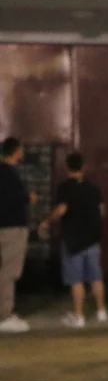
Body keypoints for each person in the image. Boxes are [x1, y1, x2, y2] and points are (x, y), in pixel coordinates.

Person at [38, 152, 107, 328]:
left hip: (73, 240)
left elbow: (61, 209)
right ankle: (101, 312)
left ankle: (78, 317)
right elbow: (102, 211)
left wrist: (47, 221)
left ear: (66, 167)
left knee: (76, 281)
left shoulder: (65, 187)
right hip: (92, 240)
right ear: (84, 167)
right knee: (96, 278)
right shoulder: (93, 188)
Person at [0, 137, 34, 333]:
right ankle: (4, 316)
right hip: (11, 227)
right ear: (16, 151)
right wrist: (27, 197)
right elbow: (9, 198)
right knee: (9, 271)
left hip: (6, 226)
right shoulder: (7, 173)